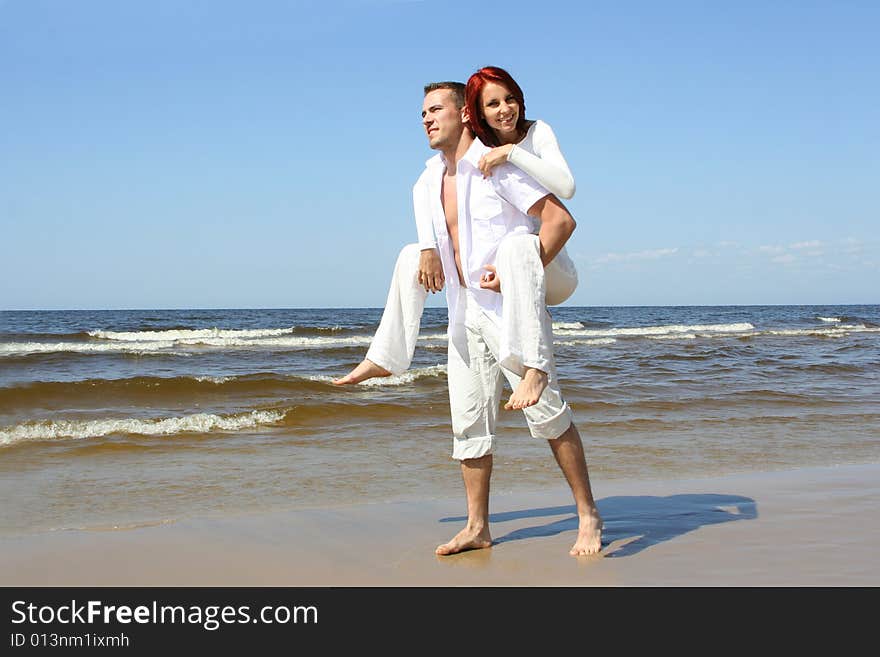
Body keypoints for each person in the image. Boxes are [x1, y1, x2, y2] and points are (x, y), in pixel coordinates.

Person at [415, 80, 602, 556]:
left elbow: (561, 220)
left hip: (509, 313)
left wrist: (522, 273)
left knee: (548, 413)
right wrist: (426, 250)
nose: (426, 118)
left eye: (436, 109)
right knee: (469, 423)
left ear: (462, 114)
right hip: (462, 314)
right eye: (423, 112)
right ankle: (478, 526)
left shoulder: (493, 164)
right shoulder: (428, 180)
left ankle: (587, 514)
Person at [333, 67, 579, 413]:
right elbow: (421, 189)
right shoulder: (442, 171)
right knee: (409, 256)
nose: (503, 110)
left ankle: (535, 367)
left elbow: (564, 203)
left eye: (509, 99)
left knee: (516, 246)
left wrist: (510, 153)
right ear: (478, 112)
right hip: (495, 283)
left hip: (549, 266)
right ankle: (386, 357)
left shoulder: (516, 147)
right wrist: (428, 247)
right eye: (491, 104)